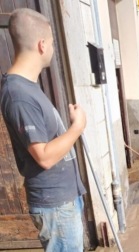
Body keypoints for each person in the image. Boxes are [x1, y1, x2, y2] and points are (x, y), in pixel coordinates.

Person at [0, 8, 87, 251]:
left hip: (61, 200)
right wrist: (77, 127)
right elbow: (45, 157)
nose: (52, 49)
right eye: (51, 42)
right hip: (55, 205)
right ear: (41, 45)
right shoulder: (19, 95)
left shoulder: (28, 87)